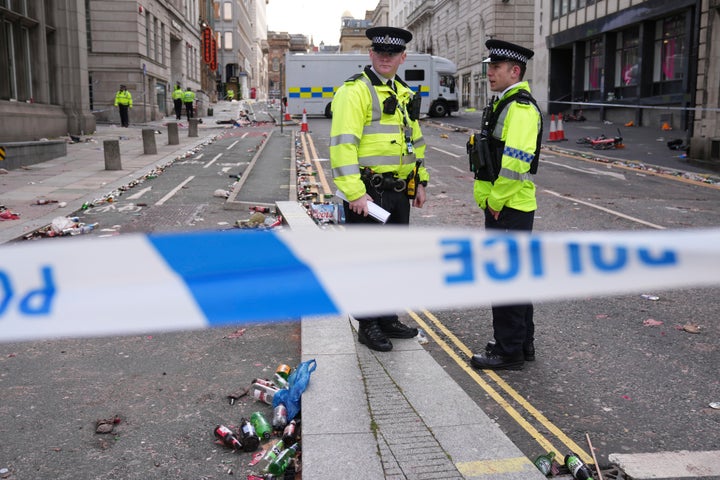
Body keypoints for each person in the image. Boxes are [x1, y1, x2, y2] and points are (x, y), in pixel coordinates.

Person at [330, 26, 429, 352]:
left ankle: (387, 317)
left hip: (398, 192)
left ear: (402, 57)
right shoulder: (354, 91)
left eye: (393, 54)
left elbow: (414, 142)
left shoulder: (402, 92)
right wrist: (354, 192)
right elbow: (343, 146)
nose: (386, 58)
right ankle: (368, 324)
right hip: (368, 193)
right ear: (371, 54)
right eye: (380, 53)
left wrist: (421, 181)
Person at [468, 39, 543, 370]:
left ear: (515, 71)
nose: (490, 73)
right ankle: (520, 344)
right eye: (490, 67)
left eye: (496, 68)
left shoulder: (521, 109)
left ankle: (508, 350)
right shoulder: (505, 103)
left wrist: (494, 201)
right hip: (506, 205)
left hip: (508, 206)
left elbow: (516, 164)